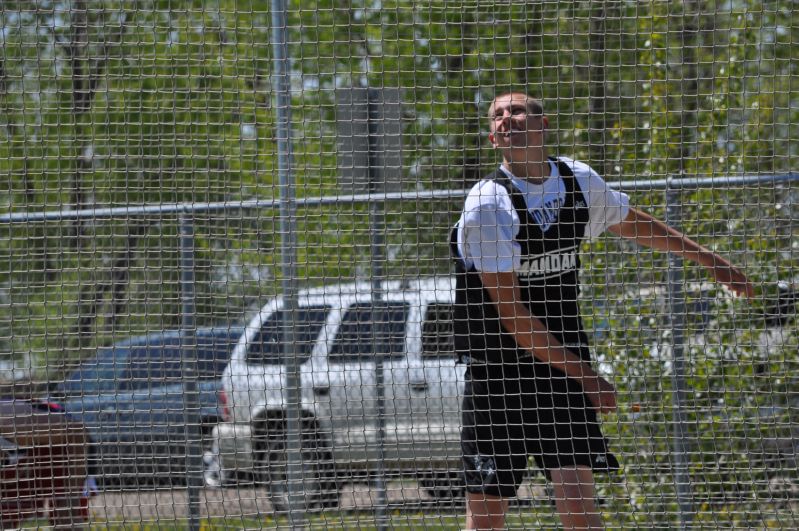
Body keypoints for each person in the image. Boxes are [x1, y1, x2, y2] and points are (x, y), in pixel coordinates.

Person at [450, 92, 754, 530]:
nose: (506, 120)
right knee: (486, 520)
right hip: (500, 374)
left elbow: (630, 222)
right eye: (497, 115)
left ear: (542, 124)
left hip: (560, 370)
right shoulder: (487, 206)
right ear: (493, 138)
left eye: (516, 111)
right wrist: (588, 376)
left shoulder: (577, 180)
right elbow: (512, 316)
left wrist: (707, 258)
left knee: (580, 508)